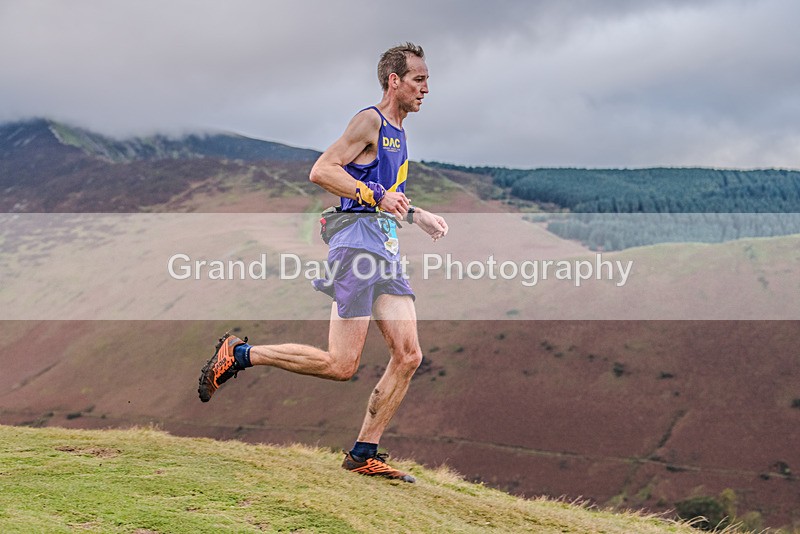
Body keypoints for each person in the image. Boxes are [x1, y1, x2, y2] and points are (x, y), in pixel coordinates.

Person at [198, 42, 448, 483]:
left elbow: (383, 196)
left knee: (408, 356)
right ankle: (238, 354)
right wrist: (375, 197)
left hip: (384, 247)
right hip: (356, 248)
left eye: (426, 80)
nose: (426, 88)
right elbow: (323, 170)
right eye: (419, 79)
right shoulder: (369, 120)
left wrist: (416, 215)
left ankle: (363, 452)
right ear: (395, 81)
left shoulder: (399, 133)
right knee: (341, 365)